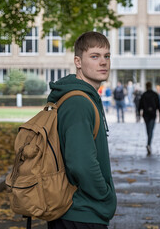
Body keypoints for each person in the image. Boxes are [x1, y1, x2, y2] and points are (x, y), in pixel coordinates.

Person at [46, 31, 116, 228]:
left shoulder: (85, 97)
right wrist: (104, 194)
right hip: (81, 213)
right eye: (94, 56)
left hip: (78, 212)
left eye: (107, 56)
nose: (103, 62)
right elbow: (80, 163)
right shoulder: (78, 102)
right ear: (78, 61)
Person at [138, 82, 160, 155]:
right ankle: (149, 144)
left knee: (148, 130)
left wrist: (138, 114)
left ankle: (148, 143)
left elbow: (140, 105)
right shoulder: (155, 94)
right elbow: (158, 105)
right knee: (151, 130)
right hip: (152, 114)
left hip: (146, 114)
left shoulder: (144, 95)